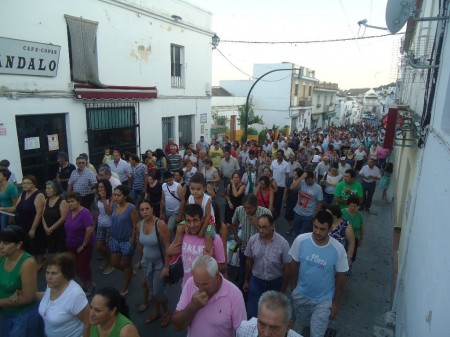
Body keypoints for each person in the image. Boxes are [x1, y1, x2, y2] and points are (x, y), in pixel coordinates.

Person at [289, 211, 349, 337]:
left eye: (322, 229)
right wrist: (294, 288)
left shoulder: (338, 249)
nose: (317, 232)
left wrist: (336, 304)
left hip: (323, 301)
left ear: (330, 228)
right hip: (301, 296)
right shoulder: (301, 240)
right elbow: (294, 264)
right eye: (315, 227)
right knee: (298, 329)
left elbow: (341, 277)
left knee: (317, 334)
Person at [172, 255, 246, 337]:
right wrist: (193, 306)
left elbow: (242, 332)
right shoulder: (190, 283)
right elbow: (176, 326)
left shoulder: (235, 294)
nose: (200, 289)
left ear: (217, 275)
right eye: (197, 283)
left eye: (205, 284)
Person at [243, 214, 291, 319]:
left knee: (271, 316)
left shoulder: (283, 244)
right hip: (256, 282)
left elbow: (287, 268)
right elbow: (249, 261)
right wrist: (246, 280)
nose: (260, 230)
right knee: (252, 314)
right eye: (259, 227)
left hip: (275, 284)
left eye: (264, 227)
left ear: (272, 226)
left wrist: (283, 290)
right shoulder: (252, 240)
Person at [167, 204, 226, 286]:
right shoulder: (183, 235)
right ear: (184, 221)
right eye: (188, 221)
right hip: (186, 288)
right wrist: (169, 252)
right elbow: (170, 252)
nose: (192, 225)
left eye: (195, 220)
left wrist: (211, 260)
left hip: (206, 292)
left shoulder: (215, 239)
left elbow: (223, 268)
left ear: (202, 220)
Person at [0, 225, 43, 337]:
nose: (1, 246)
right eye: (0, 242)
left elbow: (28, 298)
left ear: (19, 245)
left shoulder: (28, 263)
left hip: (21, 317)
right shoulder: (2, 255)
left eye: (6, 243)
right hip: (5, 314)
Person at [135, 200, 170, 327]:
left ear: (152, 209)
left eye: (147, 209)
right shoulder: (139, 225)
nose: (145, 212)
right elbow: (140, 245)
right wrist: (139, 260)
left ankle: (165, 311)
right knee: (151, 290)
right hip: (146, 263)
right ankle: (156, 312)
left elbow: (167, 247)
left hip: (159, 263)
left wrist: (166, 266)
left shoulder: (160, 224)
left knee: (158, 292)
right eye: (142, 210)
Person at [38, 253, 90, 337]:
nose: (48, 277)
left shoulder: (75, 295)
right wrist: (25, 295)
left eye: (53, 273)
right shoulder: (52, 285)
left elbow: (88, 323)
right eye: (47, 272)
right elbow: (48, 297)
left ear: (66, 273)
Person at [231, 194, 272, 293]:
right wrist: (236, 236)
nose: (247, 210)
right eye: (245, 207)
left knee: (258, 273)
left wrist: (256, 225)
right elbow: (234, 222)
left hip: (261, 249)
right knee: (243, 271)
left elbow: (271, 233)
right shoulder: (239, 210)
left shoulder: (266, 213)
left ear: (256, 205)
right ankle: (242, 292)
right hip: (244, 246)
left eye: (250, 208)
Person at [7, 175, 46, 266]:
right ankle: (31, 262)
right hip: (22, 224)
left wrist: (33, 229)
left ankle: (41, 262)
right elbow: (15, 208)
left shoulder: (39, 195)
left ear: (34, 184)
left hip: (34, 224)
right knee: (27, 244)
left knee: (38, 245)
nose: (24, 185)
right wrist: (3, 208)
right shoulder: (23, 194)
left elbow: (39, 214)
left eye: (28, 183)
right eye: (23, 183)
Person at [109, 185, 139, 296]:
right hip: (115, 239)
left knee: (126, 264)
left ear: (125, 196)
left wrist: (132, 239)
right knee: (114, 262)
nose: (116, 197)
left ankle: (126, 286)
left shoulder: (131, 208)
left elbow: (135, 225)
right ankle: (130, 273)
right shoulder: (114, 205)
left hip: (126, 240)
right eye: (114, 194)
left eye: (118, 195)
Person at [65, 192, 96, 295]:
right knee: (76, 267)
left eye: (72, 201)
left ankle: (89, 285)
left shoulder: (85, 213)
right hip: (71, 244)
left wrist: (83, 245)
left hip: (83, 246)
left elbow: (89, 230)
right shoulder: (69, 212)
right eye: (68, 202)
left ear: (78, 202)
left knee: (83, 267)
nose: (70, 204)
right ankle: (85, 283)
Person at [236, 291, 302, 337]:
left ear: (288, 326)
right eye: (262, 324)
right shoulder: (244, 330)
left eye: (274, 328)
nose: (266, 334)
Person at [290, 171, 323, 235]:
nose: (307, 182)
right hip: (298, 213)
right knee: (296, 232)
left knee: (303, 234)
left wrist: (314, 214)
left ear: (313, 178)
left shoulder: (318, 188)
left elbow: (320, 202)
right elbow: (292, 187)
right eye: (306, 180)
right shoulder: (302, 182)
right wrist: (302, 177)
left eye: (309, 180)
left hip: (309, 215)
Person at [327, 205, 356, 272]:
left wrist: (349, 258)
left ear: (335, 215)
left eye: (329, 214)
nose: (326, 215)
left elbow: (352, 242)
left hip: (339, 257)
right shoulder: (327, 222)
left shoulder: (346, 225)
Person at [93, 179, 114, 275]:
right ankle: (108, 259)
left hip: (110, 225)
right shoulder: (97, 198)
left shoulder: (112, 197)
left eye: (102, 187)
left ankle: (111, 264)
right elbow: (97, 211)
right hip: (100, 224)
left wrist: (104, 199)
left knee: (109, 247)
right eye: (99, 187)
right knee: (99, 246)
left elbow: (109, 212)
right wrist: (94, 223)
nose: (100, 189)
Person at [42, 180, 68, 254]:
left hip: (59, 232)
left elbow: (63, 218)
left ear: (55, 189)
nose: (46, 190)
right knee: (51, 253)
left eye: (49, 188)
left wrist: (51, 228)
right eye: (46, 188)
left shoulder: (62, 201)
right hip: (48, 233)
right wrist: (45, 228)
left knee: (60, 254)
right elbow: (43, 215)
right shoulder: (46, 200)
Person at [341, 196, 365, 264]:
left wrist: (361, 238)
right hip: (343, 238)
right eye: (351, 206)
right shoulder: (342, 212)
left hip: (354, 239)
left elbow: (362, 228)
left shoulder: (359, 215)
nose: (353, 208)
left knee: (351, 256)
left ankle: (349, 268)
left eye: (355, 206)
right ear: (348, 205)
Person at [270, 149, 289, 219]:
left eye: (280, 155)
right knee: (272, 199)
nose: (279, 156)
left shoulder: (286, 164)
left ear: (283, 156)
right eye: (278, 155)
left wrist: (285, 185)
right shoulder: (273, 162)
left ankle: (276, 214)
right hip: (273, 185)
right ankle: (271, 211)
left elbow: (287, 175)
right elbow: (271, 172)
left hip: (281, 185)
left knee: (278, 200)